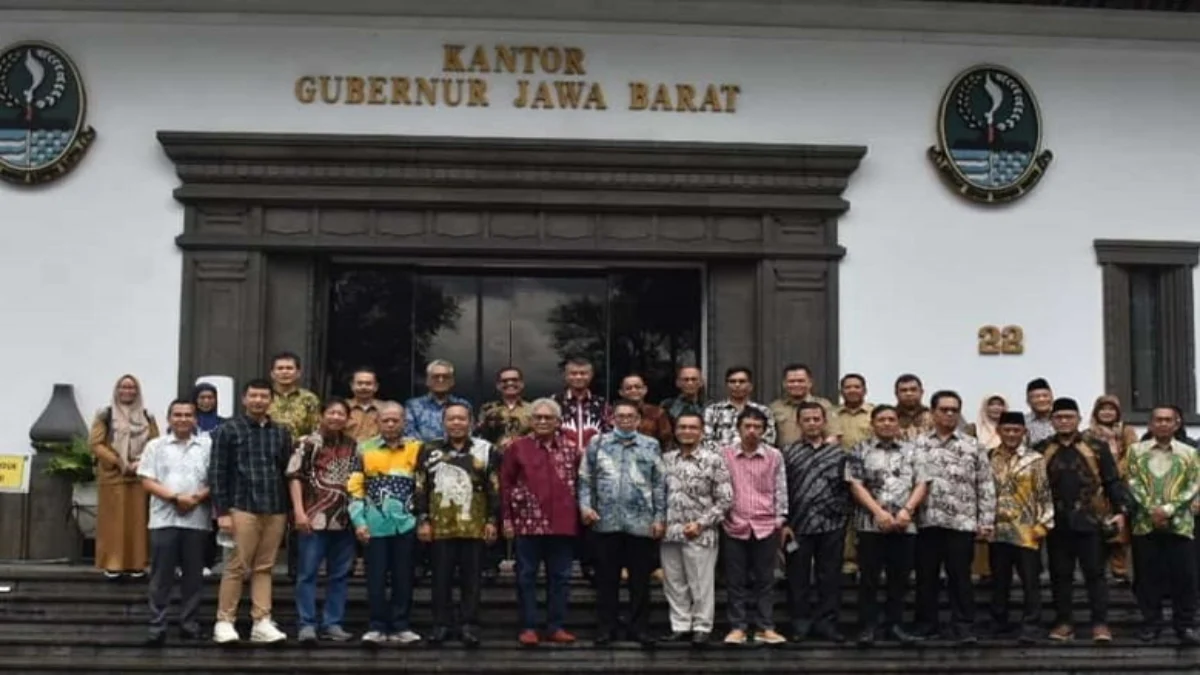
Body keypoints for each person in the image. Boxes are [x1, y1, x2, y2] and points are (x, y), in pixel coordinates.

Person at [578, 399, 666, 648]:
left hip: (641, 523)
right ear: (612, 419)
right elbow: (585, 480)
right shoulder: (598, 443)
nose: (625, 419)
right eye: (621, 415)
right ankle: (607, 628)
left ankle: (639, 629)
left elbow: (659, 484)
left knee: (640, 581)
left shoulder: (651, 445)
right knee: (607, 580)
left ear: (639, 419)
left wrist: (660, 518)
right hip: (606, 522)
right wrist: (585, 507)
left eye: (630, 416)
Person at [209, 378, 290, 644]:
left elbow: (285, 470)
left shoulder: (281, 432)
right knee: (236, 565)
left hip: (275, 506)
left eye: (263, 396)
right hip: (241, 505)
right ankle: (224, 621)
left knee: (265, 567)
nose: (258, 400)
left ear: (271, 400)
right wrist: (222, 511)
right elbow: (218, 472)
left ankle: (262, 620)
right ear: (244, 399)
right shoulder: (228, 430)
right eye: (253, 396)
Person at [1040, 397, 1127, 643]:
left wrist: (1120, 509)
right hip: (1055, 523)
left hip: (1091, 521)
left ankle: (1100, 624)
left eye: (1069, 417)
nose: (1064, 421)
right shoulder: (1042, 448)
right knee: (1060, 575)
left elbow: (1112, 481)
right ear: (1052, 420)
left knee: (1095, 574)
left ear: (1078, 419)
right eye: (1059, 417)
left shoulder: (1096, 446)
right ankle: (1064, 622)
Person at [912, 390, 995, 644]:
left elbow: (986, 484)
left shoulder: (972, 445)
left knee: (960, 576)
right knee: (926, 577)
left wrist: (986, 520)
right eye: (943, 409)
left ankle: (964, 625)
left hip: (962, 522)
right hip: (926, 522)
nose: (949, 414)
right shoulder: (917, 445)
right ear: (932, 412)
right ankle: (927, 624)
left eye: (954, 410)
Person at [414, 403, 500, 647]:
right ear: (444, 423)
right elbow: (421, 487)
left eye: (461, 419)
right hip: (440, 526)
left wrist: (493, 520)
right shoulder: (429, 450)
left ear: (470, 422)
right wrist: (423, 519)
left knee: (471, 579)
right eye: (451, 419)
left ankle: (469, 625)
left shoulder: (485, 450)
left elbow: (495, 488)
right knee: (440, 578)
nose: (456, 423)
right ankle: (441, 625)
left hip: (474, 525)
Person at [500, 398, 582, 647]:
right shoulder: (518, 448)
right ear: (531, 421)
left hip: (562, 524)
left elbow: (581, 484)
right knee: (526, 576)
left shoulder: (570, 449)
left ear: (558, 422)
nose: (543, 422)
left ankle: (556, 626)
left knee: (561, 577)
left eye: (548, 418)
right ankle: (528, 626)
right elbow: (506, 484)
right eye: (538, 417)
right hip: (528, 522)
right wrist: (506, 518)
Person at [846, 405, 928, 646]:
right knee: (869, 578)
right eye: (881, 420)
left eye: (891, 419)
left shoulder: (913, 451)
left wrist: (907, 511)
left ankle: (896, 625)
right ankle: (868, 626)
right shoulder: (859, 450)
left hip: (905, 524)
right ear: (872, 424)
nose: (886, 424)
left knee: (899, 579)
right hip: (871, 524)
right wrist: (878, 513)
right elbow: (855, 485)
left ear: (898, 424)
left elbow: (922, 483)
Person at [348, 402, 423, 646]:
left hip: (406, 525)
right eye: (386, 420)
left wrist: (422, 519)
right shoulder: (363, 449)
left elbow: (423, 487)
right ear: (377, 423)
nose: (390, 424)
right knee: (376, 579)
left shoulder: (417, 449)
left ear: (404, 422)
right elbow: (355, 488)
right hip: (374, 525)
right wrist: (359, 522)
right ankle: (377, 625)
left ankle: (401, 625)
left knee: (404, 577)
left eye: (395, 420)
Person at [138, 399, 211, 645]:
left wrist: (197, 498)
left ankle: (189, 624)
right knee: (161, 576)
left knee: (194, 576)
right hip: (163, 518)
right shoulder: (155, 446)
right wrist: (175, 498)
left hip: (197, 519)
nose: (182, 419)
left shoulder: (207, 445)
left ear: (195, 419)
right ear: (169, 419)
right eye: (177, 415)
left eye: (188, 415)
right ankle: (157, 626)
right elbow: (147, 480)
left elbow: (216, 478)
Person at [1126, 405, 1200, 645]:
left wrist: (1167, 510)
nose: (1163, 424)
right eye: (1158, 420)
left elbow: (1193, 485)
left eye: (1168, 420)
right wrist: (1151, 509)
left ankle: (1185, 626)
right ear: (1150, 424)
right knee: (1148, 577)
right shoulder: (1135, 451)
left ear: (1177, 424)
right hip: (1144, 524)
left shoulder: (1190, 453)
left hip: (1180, 525)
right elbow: (1132, 481)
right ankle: (1151, 624)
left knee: (1185, 577)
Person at [287, 400, 358, 644]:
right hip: (313, 519)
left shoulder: (352, 445)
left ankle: (332, 623)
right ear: (321, 415)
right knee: (307, 574)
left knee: (339, 575)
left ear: (347, 419)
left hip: (345, 519)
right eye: (332, 412)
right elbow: (295, 477)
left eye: (341, 413)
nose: (336, 417)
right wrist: (298, 511)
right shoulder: (307, 443)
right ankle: (307, 623)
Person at [660, 412, 732, 647]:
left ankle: (702, 626)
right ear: (676, 431)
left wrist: (701, 524)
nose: (687, 431)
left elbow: (725, 500)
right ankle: (680, 625)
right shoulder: (667, 459)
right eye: (682, 427)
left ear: (701, 432)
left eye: (693, 427)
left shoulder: (714, 460)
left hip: (700, 532)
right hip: (670, 531)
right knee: (674, 582)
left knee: (700, 583)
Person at [782, 402, 850, 644]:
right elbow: (781, 489)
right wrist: (784, 522)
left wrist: (840, 514)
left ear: (823, 422)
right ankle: (800, 623)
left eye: (816, 419)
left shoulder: (839, 454)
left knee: (829, 576)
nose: (812, 423)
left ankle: (827, 623)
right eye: (807, 419)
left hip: (831, 525)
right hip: (798, 525)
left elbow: (848, 488)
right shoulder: (788, 453)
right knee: (798, 577)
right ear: (799, 423)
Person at [720, 407, 788, 646]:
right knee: (735, 580)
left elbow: (780, 488)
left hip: (765, 524)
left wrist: (779, 519)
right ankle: (737, 627)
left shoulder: (774, 456)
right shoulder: (725, 454)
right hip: (734, 524)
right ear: (738, 428)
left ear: (764, 431)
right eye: (747, 426)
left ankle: (765, 626)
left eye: (757, 427)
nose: (751, 431)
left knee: (765, 580)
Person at [987, 412, 1053, 643]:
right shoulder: (989, 457)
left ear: (1024, 432)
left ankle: (1032, 624)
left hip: (1027, 530)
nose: (1012, 434)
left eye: (1016, 430)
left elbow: (1044, 494)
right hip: (997, 530)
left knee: (1030, 581)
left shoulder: (1035, 459)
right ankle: (999, 622)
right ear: (999, 431)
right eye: (1007, 430)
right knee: (999, 580)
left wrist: (1043, 524)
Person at [89, 374, 159, 580]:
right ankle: (113, 563)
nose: (127, 392)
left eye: (132, 388)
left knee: (138, 522)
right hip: (113, 476)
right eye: (123, 387)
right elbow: (95, 443)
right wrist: (118, 462)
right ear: (117, 390)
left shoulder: (147, 415)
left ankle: (137, 563)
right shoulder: (105, 414)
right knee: (113, 522)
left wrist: (140, 463)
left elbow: (155, 443)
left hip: (138, 476)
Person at [1083, 395, 1139, 582]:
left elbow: (1133, 455)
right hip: (1097, 487)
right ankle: (1098, 570)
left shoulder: (1126, 431)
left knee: (1120, 529)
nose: (1107, 412)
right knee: (1099, 527)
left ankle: (1120, 570)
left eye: (1111, 409)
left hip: (1120, 484)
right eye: (1103, 409)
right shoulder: (1088, 435)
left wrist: (1113, 471)